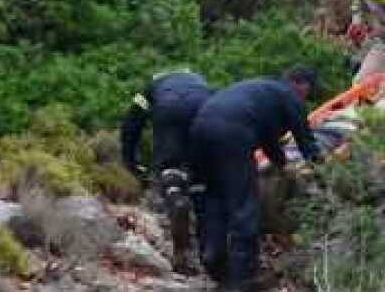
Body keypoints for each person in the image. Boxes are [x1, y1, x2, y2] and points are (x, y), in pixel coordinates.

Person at [188, 67, 323, 292]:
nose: (306, 96)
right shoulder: (290, 98)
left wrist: (281, 164)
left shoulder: (261, 90)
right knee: (244, 203)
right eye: (309, 91)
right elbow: (306, 143)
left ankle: (213, 256)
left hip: (200, 126)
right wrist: (325, 174)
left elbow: (267, 138)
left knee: (214, 195)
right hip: (233, 132)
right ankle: (242, 278)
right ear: (302, 85)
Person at [120, 69, 214, 272]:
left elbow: (132, 122)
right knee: (199, 174)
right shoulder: (201, 81)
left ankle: (175, 199)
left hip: (168, 108)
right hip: (203, 106)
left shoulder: (153, 86)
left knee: (169, 168)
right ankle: (209, 249)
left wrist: (130, 162)